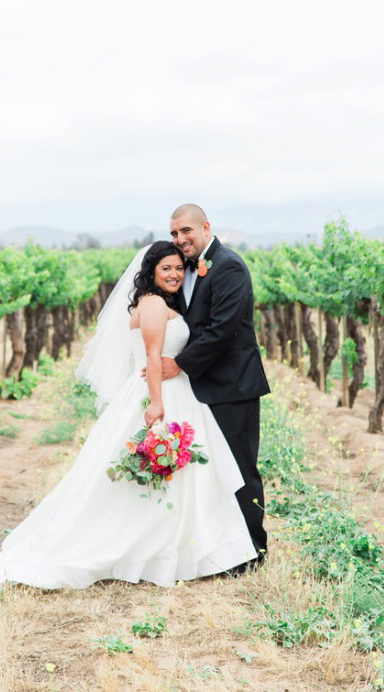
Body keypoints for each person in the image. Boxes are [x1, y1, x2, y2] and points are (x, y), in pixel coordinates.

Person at [0, 241, 256, 599]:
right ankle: (158, 549)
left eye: (179, 268)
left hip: (177, 391)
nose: (175, 274)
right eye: (167, 269)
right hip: (160, 394)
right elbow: (150, 357)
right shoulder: (154, 305)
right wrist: (157, 406)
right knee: (164, 475)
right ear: (151, 273)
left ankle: (176, 547)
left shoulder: (158, 303)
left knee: (180, 478)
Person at [164, 204, 270, 563]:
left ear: (205, 227)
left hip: (233, 387)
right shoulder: (184, 270)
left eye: (186, 231)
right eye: (174, 234)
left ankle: (254, 550)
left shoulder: (230, 266)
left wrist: (178, 364)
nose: (180, 240)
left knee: (240, 469)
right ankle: (222, 549)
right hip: (200, 388)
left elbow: (220, 330)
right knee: (212, 471)